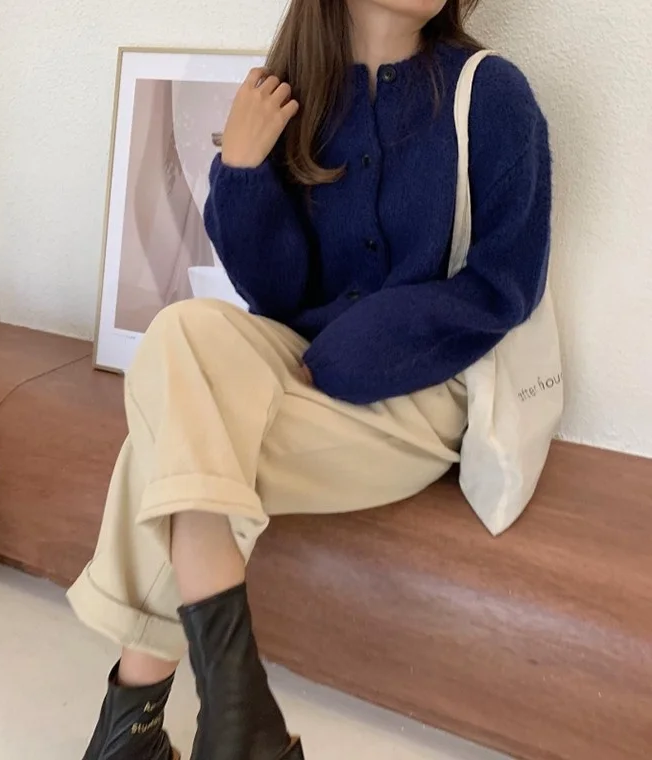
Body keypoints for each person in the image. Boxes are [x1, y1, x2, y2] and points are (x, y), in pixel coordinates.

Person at [68, 0, 551, 757]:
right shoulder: (299, 96)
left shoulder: (491, 92)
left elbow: (506, 285)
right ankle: (238, 715)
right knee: (181, 331)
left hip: (420, 397)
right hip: (299, 366)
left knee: (174, 439)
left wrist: (358, 348)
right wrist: (243, 169)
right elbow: (278, 295)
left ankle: (140, 729)